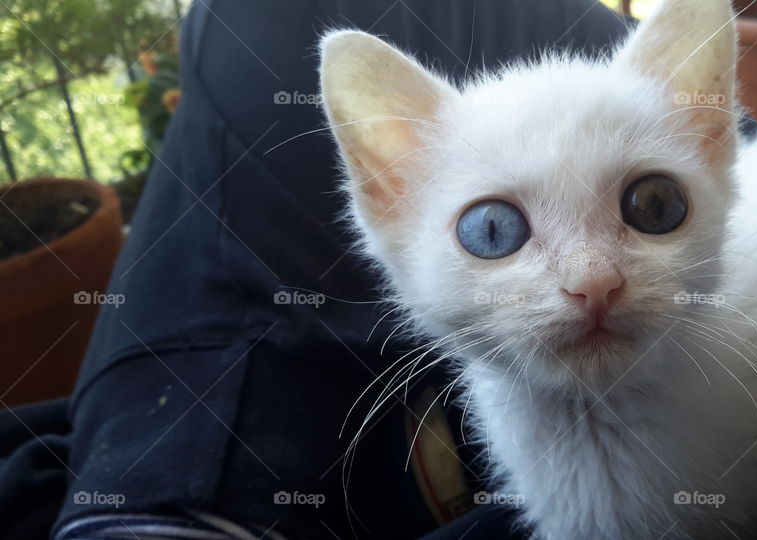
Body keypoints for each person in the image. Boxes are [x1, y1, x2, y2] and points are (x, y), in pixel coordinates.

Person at [0, 1, 627, 538]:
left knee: (247, 22)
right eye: (495, 229)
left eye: (650, 208)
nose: (591, 279)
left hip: (176, 455)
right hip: (215, 455)